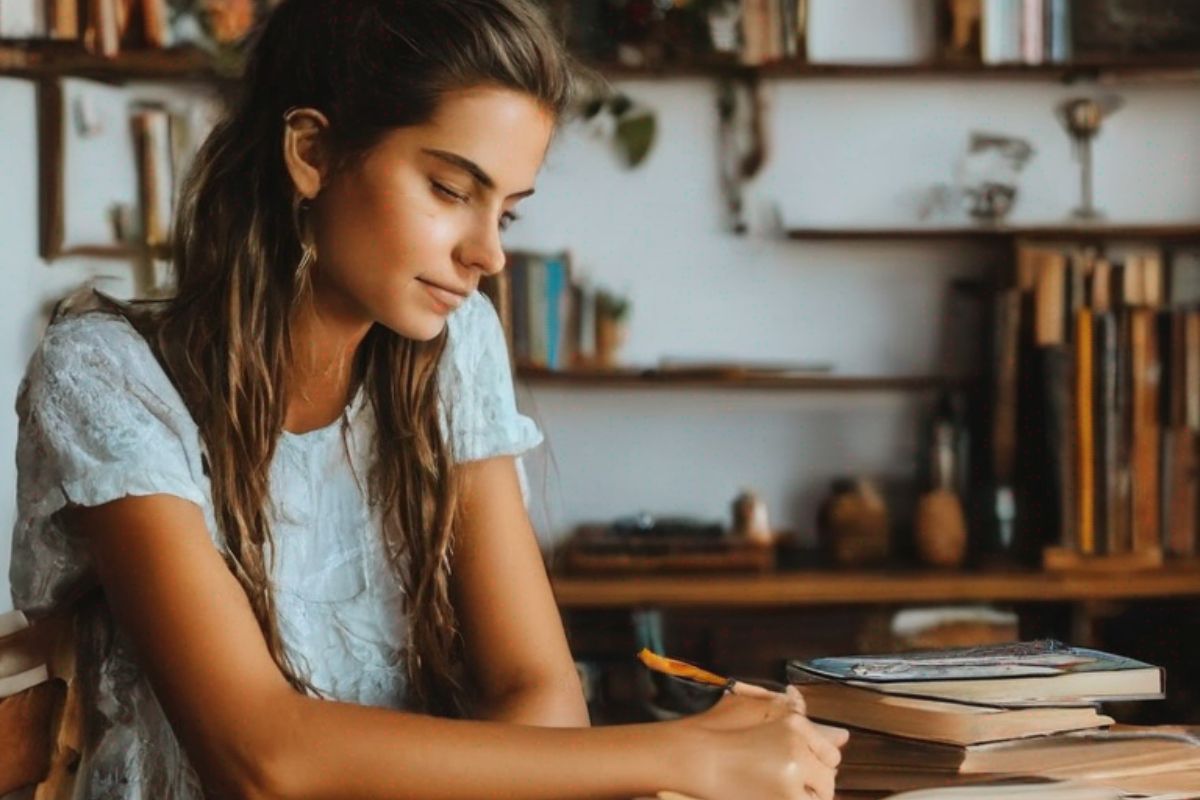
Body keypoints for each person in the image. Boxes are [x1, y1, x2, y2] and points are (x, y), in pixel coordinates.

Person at [9, 1, 847, 798]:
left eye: (507, 214)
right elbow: (259, 758)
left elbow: (543, 697)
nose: (488, 253)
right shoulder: (107, 375)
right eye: (451, 190)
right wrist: (683, 753)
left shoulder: (456, 347)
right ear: (312, 153)